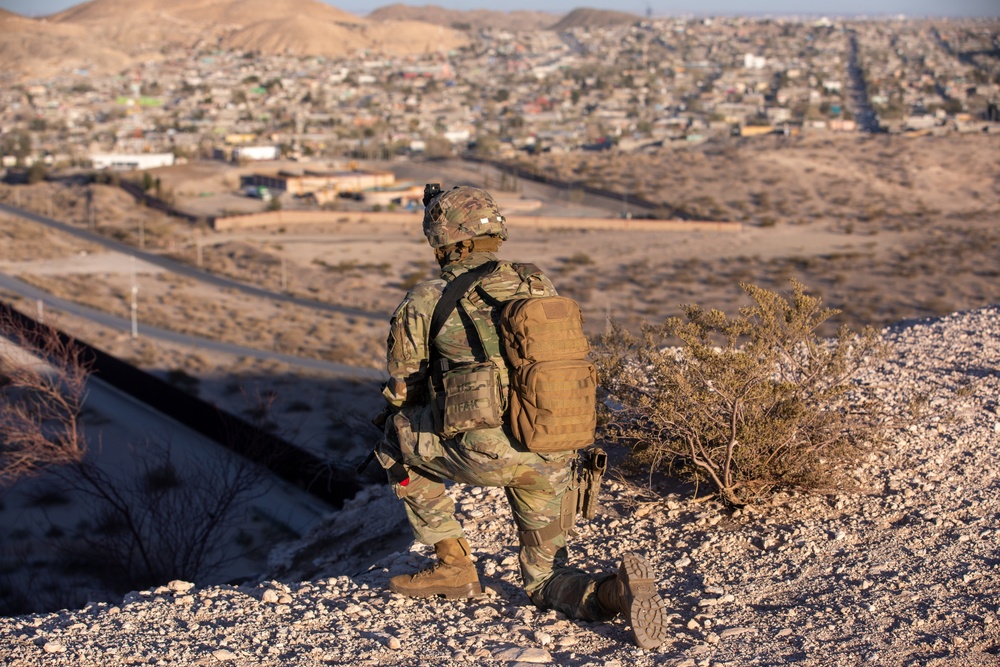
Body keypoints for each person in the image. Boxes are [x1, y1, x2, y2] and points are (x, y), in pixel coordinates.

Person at [374, 185, 669, 649]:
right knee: (545, 580)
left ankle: (454, 565)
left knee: (393, 441)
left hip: (486, 454)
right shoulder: (537, 283)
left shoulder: (426, 298)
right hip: (552, 448)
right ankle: (613, 594)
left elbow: (402, 386)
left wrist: (408, 410)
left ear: (441, 237)